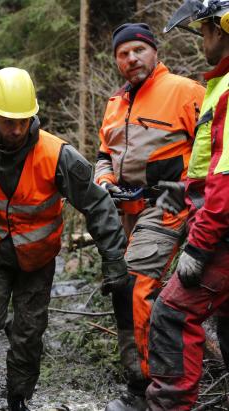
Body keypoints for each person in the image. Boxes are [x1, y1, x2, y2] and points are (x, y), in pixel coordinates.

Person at [0, 67, 128, 411]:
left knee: (29, 333)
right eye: (9, 121)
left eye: (24, 120)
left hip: (36, 260)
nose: (17, 129)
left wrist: (114, 261)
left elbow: (98, 205)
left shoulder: (57, 155)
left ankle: (17, 399)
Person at [94, 23, 205, 411]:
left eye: (138, 50)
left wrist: (192, 189)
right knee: (126, 287)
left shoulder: (185, 91)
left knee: (139, 284)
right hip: (129, 209)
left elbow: (214, 146)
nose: (131, 59)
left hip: (172, 202)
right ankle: (139, 372)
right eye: (123, 54)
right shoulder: (115, 102)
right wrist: (105, 180)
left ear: (154, 51)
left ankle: (146, 388)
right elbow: (104, 153)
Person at [145, 2, 229, 409]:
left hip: (222, 235)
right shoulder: (221, 85)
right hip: (217, 221)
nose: (203, 43)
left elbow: (226, 184)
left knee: (172, 313)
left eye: (206, 31)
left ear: (222, 28)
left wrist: (196, 248)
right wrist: (176, 190)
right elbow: (210, 170)